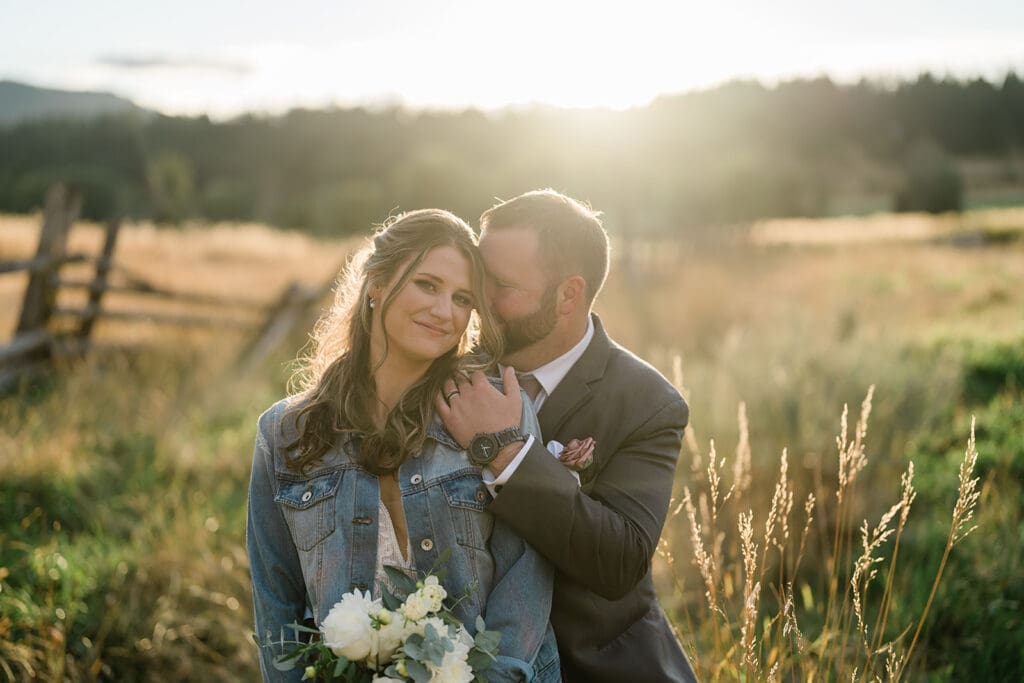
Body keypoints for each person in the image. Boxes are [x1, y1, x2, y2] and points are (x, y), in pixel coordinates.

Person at [246, 209, 559, 682]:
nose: (443, 311)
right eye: (427, 285)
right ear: (376, 281)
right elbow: (277, 607)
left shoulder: (494, 413)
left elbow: (527, 575)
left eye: (461, 298)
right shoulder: (285, 432)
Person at [438, 190, 698, 682]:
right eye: (479, 279)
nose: (480, 304)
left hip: (598, 666)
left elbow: (618, 560)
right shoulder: (450, 374)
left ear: (568, 294)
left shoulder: (646, 403)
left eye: (501, 286)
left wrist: (507, 453)